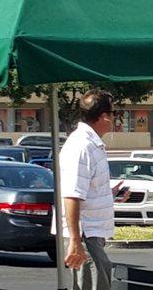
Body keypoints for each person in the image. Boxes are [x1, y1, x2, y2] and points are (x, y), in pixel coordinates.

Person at [57, 89, 130, 290]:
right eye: (114, 113)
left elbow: (86, 190)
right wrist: (75, 241)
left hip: (91, 233)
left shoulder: (92, 144)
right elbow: (71, 194)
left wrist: (111, 195)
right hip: (84, 234)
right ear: (104, 117)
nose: (116, 118)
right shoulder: (82, 146)